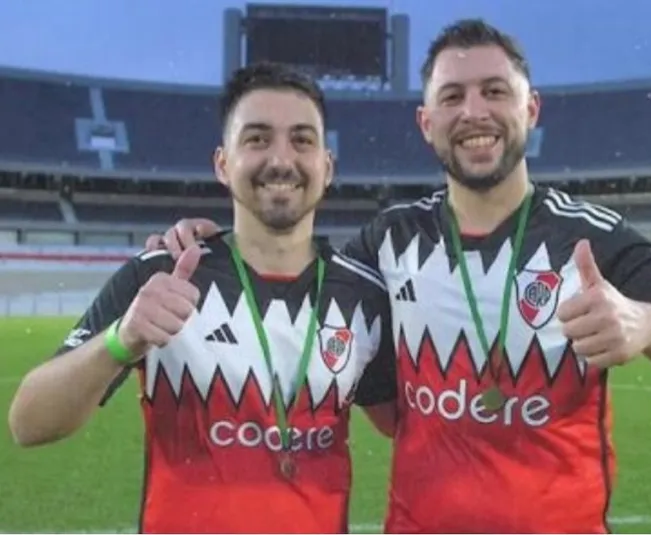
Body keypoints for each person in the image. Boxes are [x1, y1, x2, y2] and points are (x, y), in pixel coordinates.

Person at [144, 19, 651, 534]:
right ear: (427, 122)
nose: (474, 112)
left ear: (531, 109)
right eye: (452, 96)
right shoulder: (388, 239)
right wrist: (207, 243)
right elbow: (293, 271)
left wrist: (646, 323)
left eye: (495, 91)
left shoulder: (592, 234)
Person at [8, 63, 398, 534]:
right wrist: (121, 340)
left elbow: (407, 424)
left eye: (302, 140)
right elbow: (27, 423)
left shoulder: (364, 296)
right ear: (222, 163)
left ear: (327, 166)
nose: (281, 159)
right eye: (257, 139)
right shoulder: (162, 273)